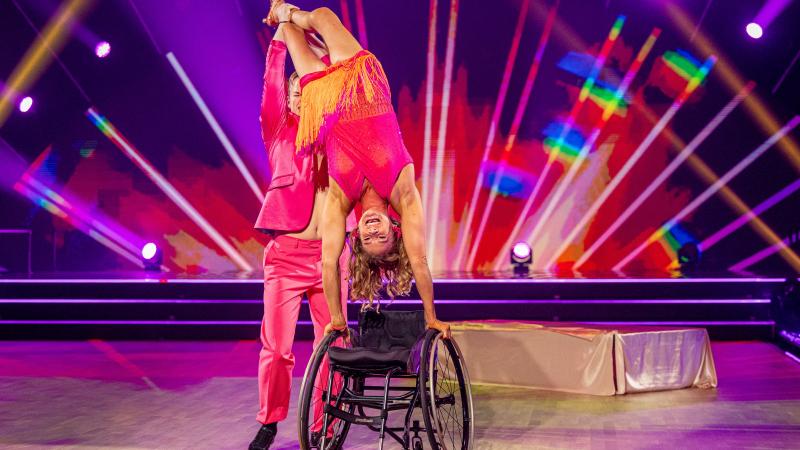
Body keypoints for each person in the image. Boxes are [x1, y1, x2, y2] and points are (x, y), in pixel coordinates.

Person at [266, 2, 451, 340]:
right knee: (322, 17)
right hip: (361, 82)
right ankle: (294, 13)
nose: (372, 231)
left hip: (323, 102)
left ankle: (283, 11)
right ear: (395, 230)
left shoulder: (341, 199)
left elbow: (327, 263)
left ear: (359, 239)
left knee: (288, 30)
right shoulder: (403, 192)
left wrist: (338, 319)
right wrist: (431, 317)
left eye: (368, 239)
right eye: (382, 236)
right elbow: (420, 261)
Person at [249, 21, 347, 450]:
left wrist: (314, 42)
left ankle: (324, 424)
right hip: (286, 256)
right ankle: (270, 421)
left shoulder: (337, 136)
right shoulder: (278, 131)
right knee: (277, 349)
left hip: (330, 257)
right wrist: (281, 35)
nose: (295, 95)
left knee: (334, 345)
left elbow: (332, 74)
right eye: (292, 91)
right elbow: (273, 83)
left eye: (303, 88)